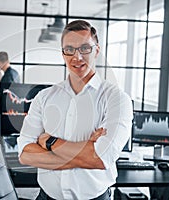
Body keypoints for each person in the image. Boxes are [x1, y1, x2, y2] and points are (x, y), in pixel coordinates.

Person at [17, 20, 133, 200]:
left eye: (85, 48)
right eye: (69, 49)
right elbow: (25, 154)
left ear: (97, 50)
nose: (76, 57)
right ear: (63, 54)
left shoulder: (116, 99)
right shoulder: (44, 97)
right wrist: (83, 154)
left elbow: (100, 158)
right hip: (46, 197)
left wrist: (49, 142)